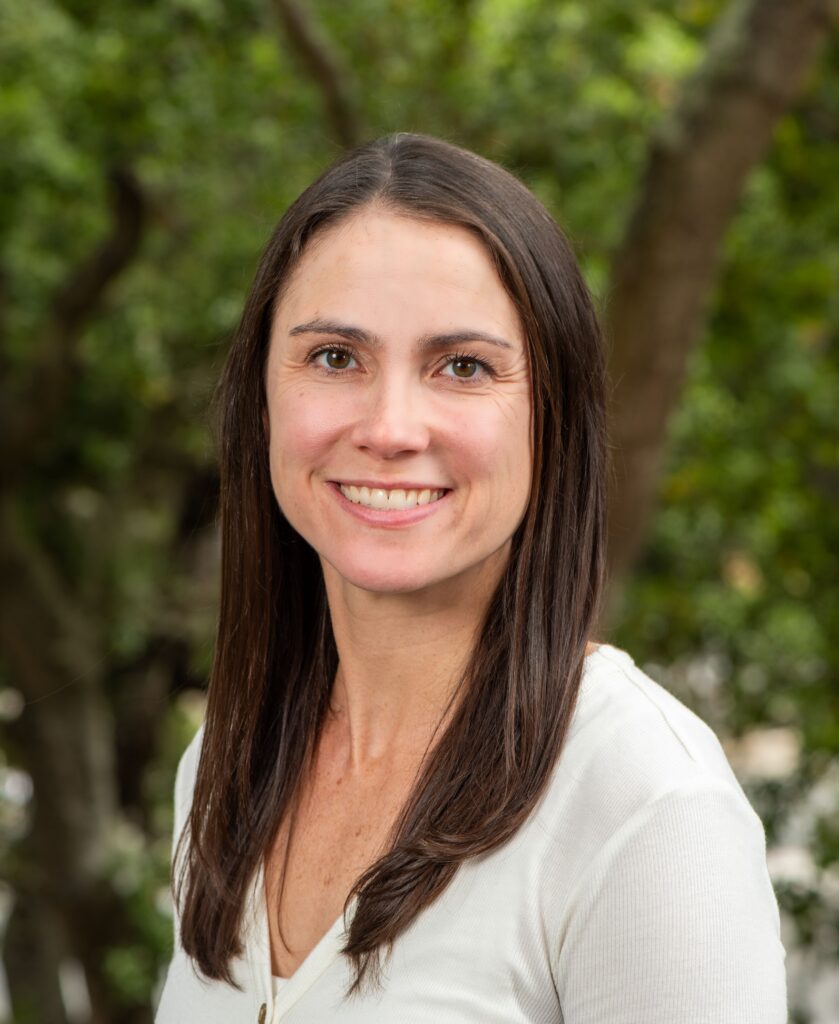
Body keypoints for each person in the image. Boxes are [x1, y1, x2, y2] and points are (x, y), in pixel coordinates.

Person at [155, 133, 787, 1023]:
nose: (389, 426)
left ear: (551, 417)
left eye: (463, 367)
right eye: (335, 356)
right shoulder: (228, 758)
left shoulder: (645, 804)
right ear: (260, 395)